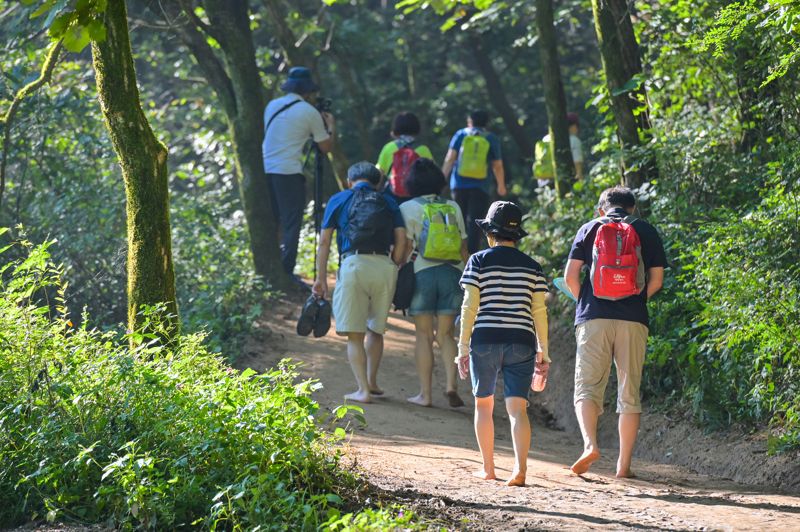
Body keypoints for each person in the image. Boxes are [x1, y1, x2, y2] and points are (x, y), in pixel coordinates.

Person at [563, 186, 666, 478]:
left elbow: (571, 277)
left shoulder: (589, 228)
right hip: (634, 319)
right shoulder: (645, 229)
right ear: (633, 209)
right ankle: (623, 466)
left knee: (587, 386)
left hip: (593, 317)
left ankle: (589, 445)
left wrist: (584, 301)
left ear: (601, 209)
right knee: (629, 391)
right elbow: (656, 280)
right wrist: (636, 301)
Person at [456, 201, 549, 487]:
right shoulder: (533, 267)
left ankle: (488, 469)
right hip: (521, 341)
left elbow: (469, 306)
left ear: (490, 233)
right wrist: (543, 350)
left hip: (485, 338)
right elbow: (539, 312)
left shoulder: (479, 260)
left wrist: (462, 347)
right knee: (517, 410)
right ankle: (519, 470)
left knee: (483, 406)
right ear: (516, 234)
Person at [313, 162, 406, 404]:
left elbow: (324, 242)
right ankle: (372, 381)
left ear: (348, 181)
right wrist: (394, 264)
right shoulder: (388, 201)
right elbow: (402, 239)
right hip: (384, 266)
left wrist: (321, 278)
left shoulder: (339, 198)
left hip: (353, 264)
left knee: (355, 334)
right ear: (377, 183)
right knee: (376, 329)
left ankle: (363, 390)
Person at [399, 159, 468, 408]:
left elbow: (406, 245)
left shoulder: (407, 207)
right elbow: (463, 248)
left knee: (424, 335)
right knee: (447, 334)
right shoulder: (452, 206)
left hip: (422, 273)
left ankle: (425, 395)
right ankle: (451, 385)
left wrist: (398, 268)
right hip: (452, 274)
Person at [262, 66, 335, 280]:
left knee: (274, 219)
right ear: (308, 91)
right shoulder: (309, 112)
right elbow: (325, 147)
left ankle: (272, 269)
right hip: (289, 172)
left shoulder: (272, 105)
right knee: (292, 221)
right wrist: (330, 125)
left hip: (266, 169)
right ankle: (287, 271)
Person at [442, 110, 507, 254]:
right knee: (475, 222)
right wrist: (501, 185)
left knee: (459, 219)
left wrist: (442, 179)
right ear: (486, 123)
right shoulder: (491, 138)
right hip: (480, 186)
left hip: (458, 185)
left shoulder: (460, 134)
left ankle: (455, 251)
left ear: (469, 121)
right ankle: (471, 255)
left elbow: (450, 158)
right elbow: (497, 165)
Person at [376, 112, 435, 202]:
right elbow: (433, 175)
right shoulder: (423, 149)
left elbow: (378, 174)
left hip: (393, 197)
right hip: (417, 198)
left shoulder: (389, 148)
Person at [534, 112, 584, 188]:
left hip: (544, 181)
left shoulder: (546, 138)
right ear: (573, 126)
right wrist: (581, 184)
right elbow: (577, 165)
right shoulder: (574, 140)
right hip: (563, 182)